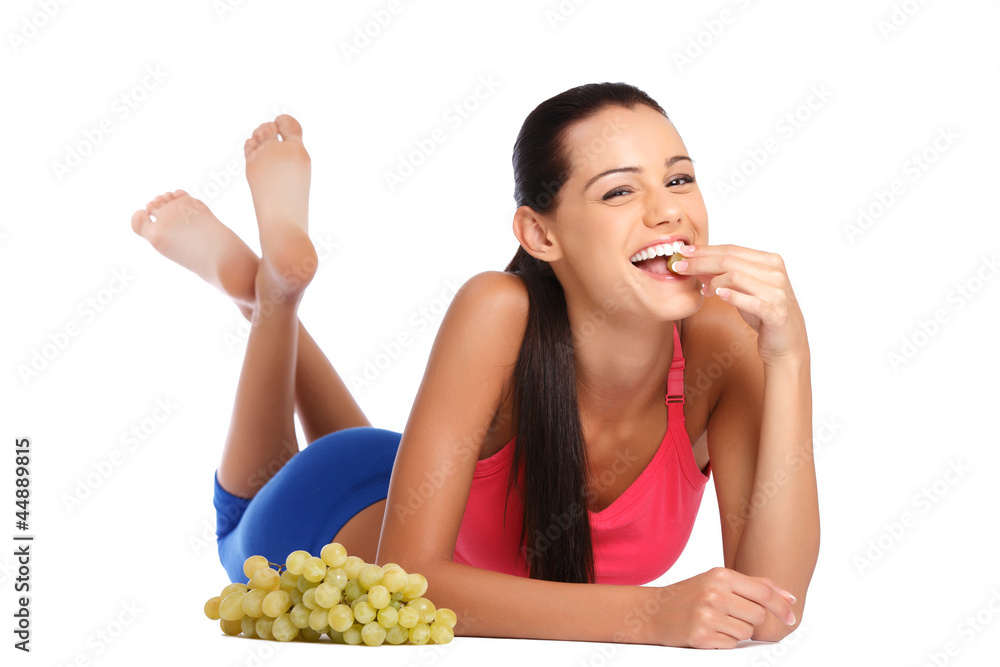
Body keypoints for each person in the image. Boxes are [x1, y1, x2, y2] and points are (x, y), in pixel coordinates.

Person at [130, 82, 818, 648]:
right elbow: (403, 574)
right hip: (326, 510)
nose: (669, 210)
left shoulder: (724, 344)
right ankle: (272, 296)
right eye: (619, 191)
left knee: (372, 454)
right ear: (538, 234)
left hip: (413, 478)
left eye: (679, 178)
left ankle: (262, 289)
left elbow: (774, 606)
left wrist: (789, 355)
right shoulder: (498, 307)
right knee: (239, 523)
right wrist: (651, 614)